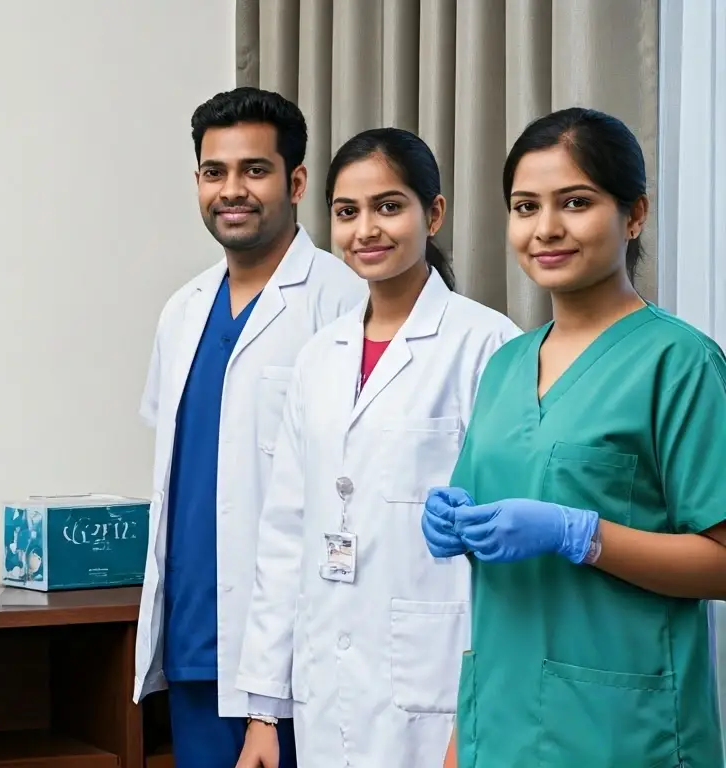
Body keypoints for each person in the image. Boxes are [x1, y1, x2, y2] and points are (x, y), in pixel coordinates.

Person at [425, 107, 726, 767]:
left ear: (634, 215)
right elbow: (492, 553)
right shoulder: (506, 365)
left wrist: (581, 534)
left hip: (625, 734)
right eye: (525, 207)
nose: (546, 228)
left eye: (576, 202)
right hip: (498, 725)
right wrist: (454, 521)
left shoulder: (680, 364)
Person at [233, 128, 520, 768]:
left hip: (438, 688)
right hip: (325, 688)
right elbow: (285, 536)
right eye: (347, 211)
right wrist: (263, 711)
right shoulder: (319, 356)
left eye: (389, 206)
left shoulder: (486, 345)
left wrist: (477, 716)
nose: (366, 229)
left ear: (433, 213)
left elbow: (504, 559)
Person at [133, 86, 366, 768]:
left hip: (303, 657)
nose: (231, 190)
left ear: (296, 182)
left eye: (254, 170)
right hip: (196, 644)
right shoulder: (183, 310)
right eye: (215, 172)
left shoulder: (343, 302)